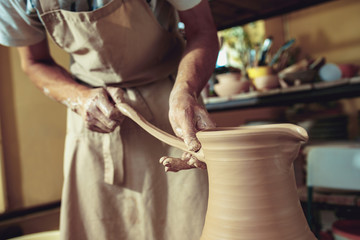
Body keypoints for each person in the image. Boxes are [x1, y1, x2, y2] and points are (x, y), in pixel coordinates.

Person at [0, 0, 219, 239]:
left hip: (171, 105)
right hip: (91, 111)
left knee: (190, 224)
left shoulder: (179, 97)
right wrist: (78, 98)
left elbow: (202, 30)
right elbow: (33, 62)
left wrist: (185, 90)